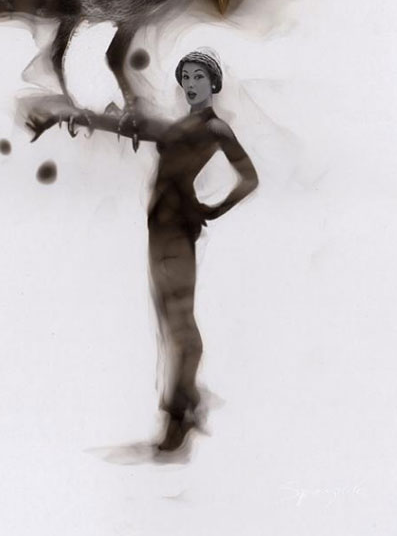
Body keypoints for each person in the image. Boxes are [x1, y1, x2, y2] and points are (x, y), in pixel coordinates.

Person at [25, 48, 258, 452]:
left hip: (176, 231)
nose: (191, 84)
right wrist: (65, 116)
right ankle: (186, 403)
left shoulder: (214, 128)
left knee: (179, 323)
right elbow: (132, 126)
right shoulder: (180, 125)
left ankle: (179, 415)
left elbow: (249, 178)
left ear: (214, 83)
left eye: (199, 77)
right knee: (170, 321)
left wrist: (213, 209)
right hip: (160, 231)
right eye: (186, 77)